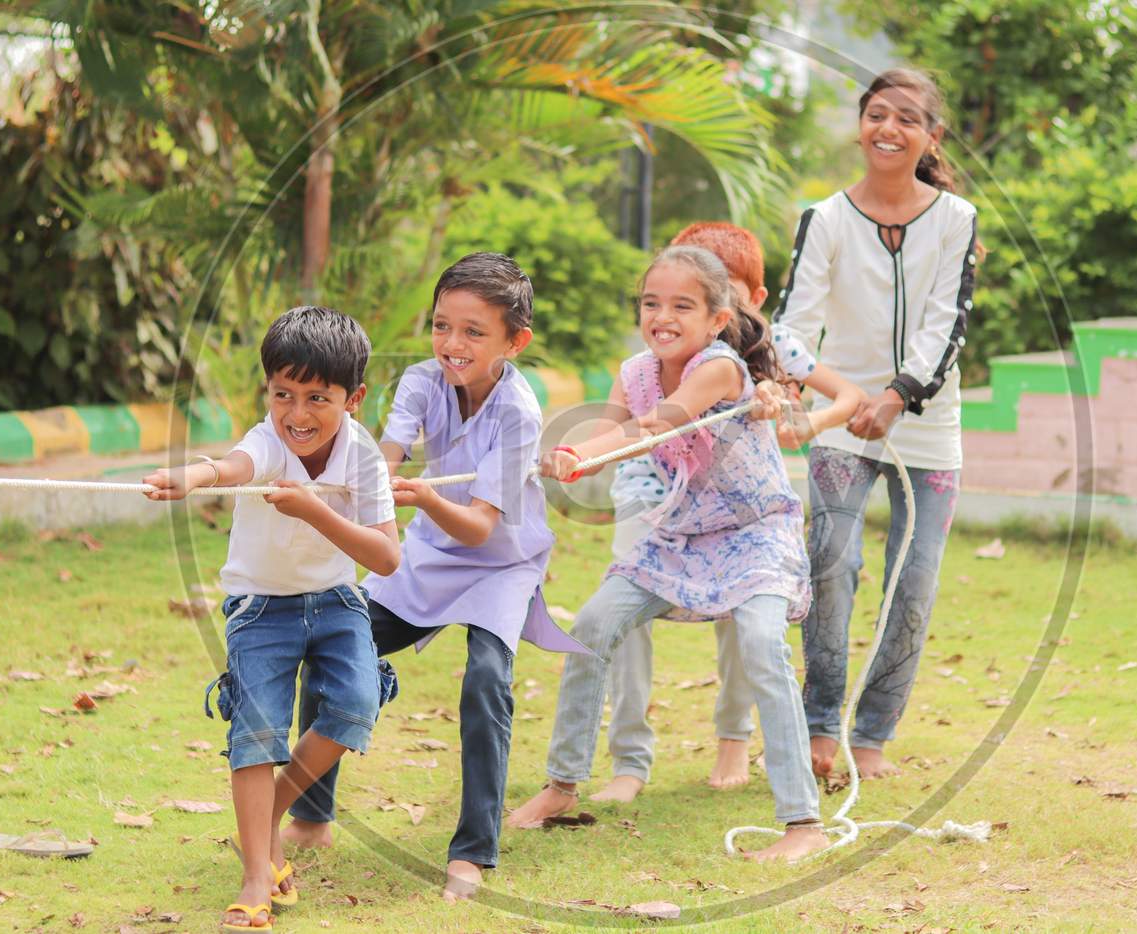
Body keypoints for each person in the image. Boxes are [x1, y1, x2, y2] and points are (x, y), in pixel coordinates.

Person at [508, 245, 829, 862]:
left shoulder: (721, 367)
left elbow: (659, 423)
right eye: (652, 303)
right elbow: (612, 431)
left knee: (762, 642)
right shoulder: (634, 372)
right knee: (595, 624)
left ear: (716, 318)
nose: (663, 315)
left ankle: (803, 823)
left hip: (756, 531)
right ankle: (562, 785)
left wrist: (589, 452)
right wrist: (572, 456)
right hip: (682, 533)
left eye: (683, 305)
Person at [280, 252, 584, 901]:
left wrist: (418, 498)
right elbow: (383, 455)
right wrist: (366, 483)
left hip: (500, 559)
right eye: (443, 325)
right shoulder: (422, 379)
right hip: (431, 553)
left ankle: (472, 853)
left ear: (514, 341)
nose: (453, 344)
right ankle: (310, 816)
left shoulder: (519, 413)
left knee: (486, 683)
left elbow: (478, 527)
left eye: (474, 332)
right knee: (332, 642)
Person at [144, 305, 401, 931]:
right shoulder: (266, 439)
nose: (297, 414)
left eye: (318, 397)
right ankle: (258, 874)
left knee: (355, 707)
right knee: (256, 732)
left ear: (354, 398)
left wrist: (315, 512)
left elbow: (387, 556)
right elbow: (235, 465)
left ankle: (267, 817)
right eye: (283, 394)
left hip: (337, 601)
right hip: (261, 607)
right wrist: (196, 476)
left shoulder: (362, 456)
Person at [596, 223, 862, 803]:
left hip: (739, 507)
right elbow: (634, 419)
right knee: (620, 615)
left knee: (745, 623)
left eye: (723, 285)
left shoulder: (770, 345)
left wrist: (801, 422)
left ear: (745, 300)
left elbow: (843, 397)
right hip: (652, 492)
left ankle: (732, 740)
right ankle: (629, 760)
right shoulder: (654, 357)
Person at [774, 66, 980, 780]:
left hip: (927, 427)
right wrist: (846, 394)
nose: (889, 129)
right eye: (877, 114)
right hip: (839, 421)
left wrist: (895, 396)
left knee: (913, 581)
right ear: (860, 122)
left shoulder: (957, 221)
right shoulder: (826, 219)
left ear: (931, 135)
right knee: (833, 563)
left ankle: (873, 737)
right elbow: (789, 334)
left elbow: (947, 329)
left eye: (907, 118)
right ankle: (819, 727)